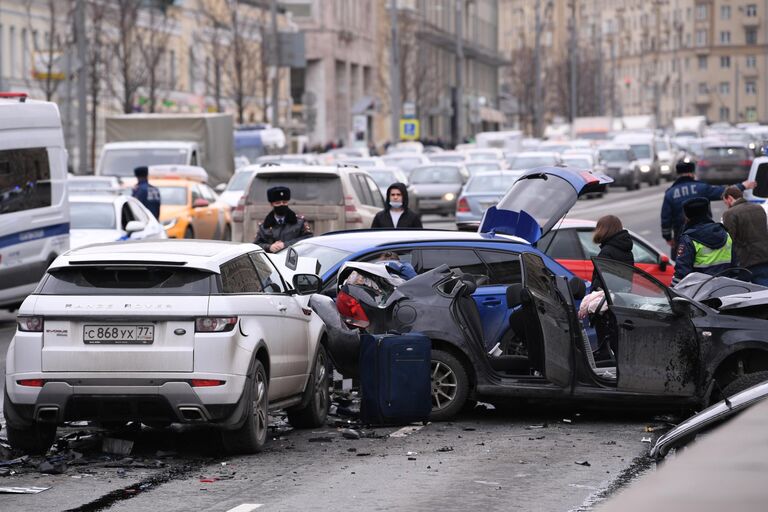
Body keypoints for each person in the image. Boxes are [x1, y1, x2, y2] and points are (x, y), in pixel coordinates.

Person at [661, 160, 754, 260]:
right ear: (691, 173)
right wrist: (743, 186)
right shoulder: (701, 187)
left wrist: (668, 238)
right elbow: (724, 191)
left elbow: (666, 218)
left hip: (681, 236)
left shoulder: (670, 193)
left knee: (680, 263)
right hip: (704, 234)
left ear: (678, 174)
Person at [672, 197, 733, 285]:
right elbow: (735, 264)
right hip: (726, 287)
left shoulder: (688, 239)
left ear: (687, 216)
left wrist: (671, 292)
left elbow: (682, 272)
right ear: (707, 212)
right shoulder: (725, 233)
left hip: (701, 291)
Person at [722, 186, 768, 286]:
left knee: (741, 292)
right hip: (764, 256)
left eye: (725, 201)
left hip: (745, 261)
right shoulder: (759, 208)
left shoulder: (730, 213)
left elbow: (729, 240)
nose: (726, 204)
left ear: (729, 198)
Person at [255, 186, 312, 253]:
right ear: (271, 204)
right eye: (278, 203)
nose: (282, 205)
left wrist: (286, 245)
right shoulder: (264, 226)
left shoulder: (299, 222)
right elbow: (256, 245)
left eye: (284, 202)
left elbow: (308, 239)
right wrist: (269, 247)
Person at [590, 215, 634, 286]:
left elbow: (600, 281)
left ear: (603, 230)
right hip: (623, 293)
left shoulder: (607, 252)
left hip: (608, 295)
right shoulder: (627, 249)